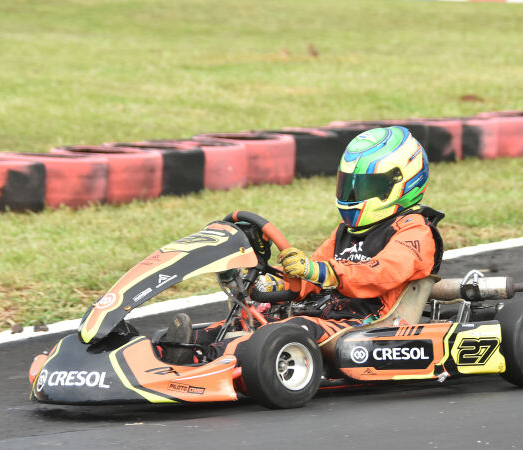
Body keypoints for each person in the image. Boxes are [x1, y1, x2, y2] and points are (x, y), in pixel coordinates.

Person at [163, 126, 444, 364]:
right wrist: (283, 282)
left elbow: (382, 273)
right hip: (328, 312)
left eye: (367, 187)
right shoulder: (345, 231)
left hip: (370, 324)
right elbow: (314, 276)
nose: (355, 195)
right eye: (351, 186)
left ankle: (205, 358)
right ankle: (173, 350)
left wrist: (324, 272)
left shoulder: (415, 232)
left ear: (402, 183)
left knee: (286, 332)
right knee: (244, 320)